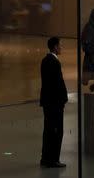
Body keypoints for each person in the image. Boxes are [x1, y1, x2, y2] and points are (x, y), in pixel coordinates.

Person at [40, 37, 68, 168]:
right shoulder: (54, 63)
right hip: (55, 103)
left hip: (47, 102)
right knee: (57, 131)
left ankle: (45, 158)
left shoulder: (45, 60)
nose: (61, 47)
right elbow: (57, 84)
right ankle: (54, 159)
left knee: (48, 130)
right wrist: (63, 99)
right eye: (60, 45)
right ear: (55, 47)